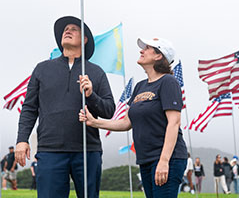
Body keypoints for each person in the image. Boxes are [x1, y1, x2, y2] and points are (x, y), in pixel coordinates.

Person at [15, 16, 115, 198]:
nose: (67, 31)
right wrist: (22, 140)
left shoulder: (96, 72)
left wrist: (91, 95)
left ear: (84, 40)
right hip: (50, 150)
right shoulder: (42, 69)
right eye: (65, 29)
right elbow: (29, 108)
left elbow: (109, 110)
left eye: (73, 29)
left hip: (87, 151)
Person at [79, 37, 188, 198]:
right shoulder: (140, 86)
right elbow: (126, 122)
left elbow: (174, 122)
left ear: (159, 56)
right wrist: (95, 122)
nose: (141, 50)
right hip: (145, 159)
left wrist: (164, 161)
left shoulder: (168, 82)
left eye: (148, 48)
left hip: (167, 159)